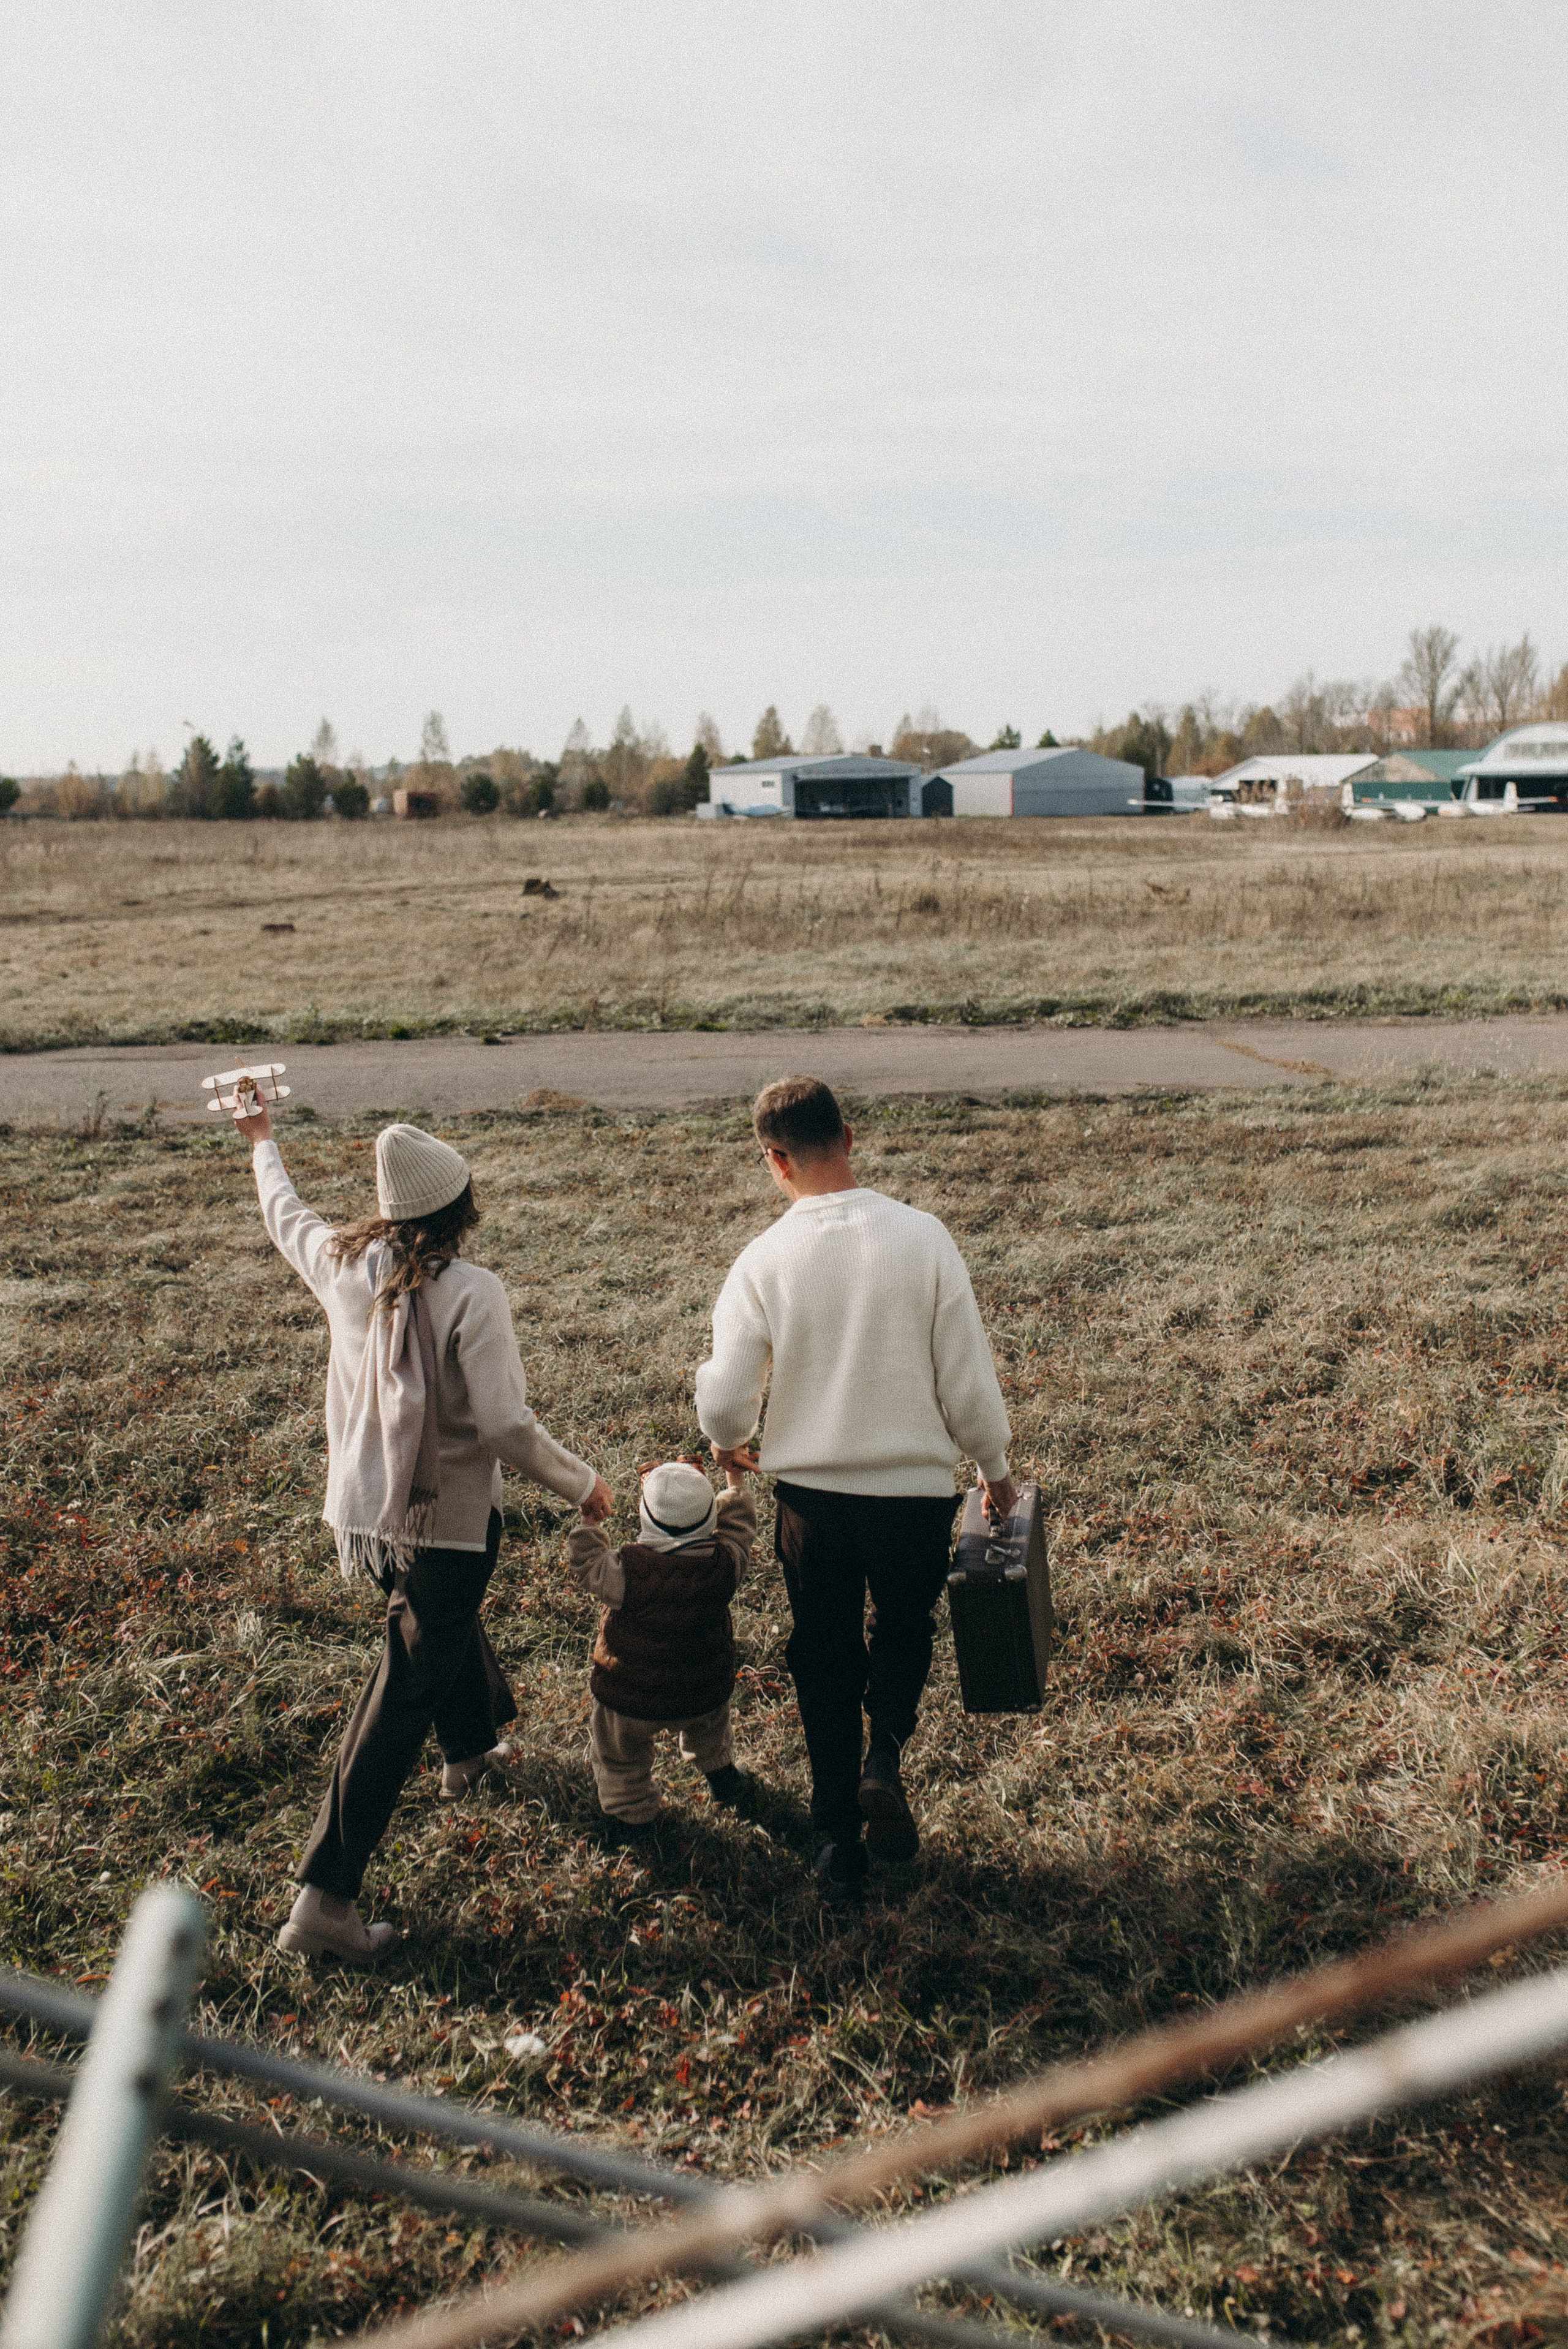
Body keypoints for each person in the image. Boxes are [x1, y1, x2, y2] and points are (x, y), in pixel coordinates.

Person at [232, 1098, 611, 1962]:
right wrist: (580, 1480)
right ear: (463, 1204)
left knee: (433, 1625)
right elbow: (507, 1426)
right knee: (403, 1684)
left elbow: (283, 1215)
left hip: (366, 1512)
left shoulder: (342, 1260)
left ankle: (471, 1750)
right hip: (445, 1518)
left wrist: (264, 1143)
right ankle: (323, 1898)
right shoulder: (473, 1291)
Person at [695, 1076, 1016, 1898]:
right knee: (905, 1625)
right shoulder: (924, 1236)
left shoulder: (764, 1256)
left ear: (776, 1162)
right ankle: (887, 1755)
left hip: (813, 1497)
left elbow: (726, 1396)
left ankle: (837, 1837)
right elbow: (967, 1379)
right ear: (850, 1134)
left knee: (823, 1654)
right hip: (913, 1491)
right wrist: (993, 1465)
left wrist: (729, 1440)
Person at [567, 1457, 758, 1836]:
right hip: (702, 1692)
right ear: (711, 1520)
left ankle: (630, 1812)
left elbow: (588, 1563)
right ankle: (720, 1772)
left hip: (631, 1698)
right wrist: (734, 1481)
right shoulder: (726, 1565)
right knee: (713, 1725)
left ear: (645, 1520)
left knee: (618, 1752)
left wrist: (590, 1524)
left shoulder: (626, 1572)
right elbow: (739, 1529)